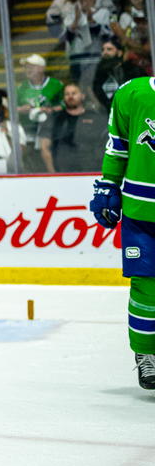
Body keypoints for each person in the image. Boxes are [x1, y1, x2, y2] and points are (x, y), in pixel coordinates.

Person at [92, 77, 155, 391]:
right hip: (142, 213)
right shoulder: (133, 93)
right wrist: (107, 185)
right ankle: (147, 355)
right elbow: (118, 146)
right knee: (147, 288)